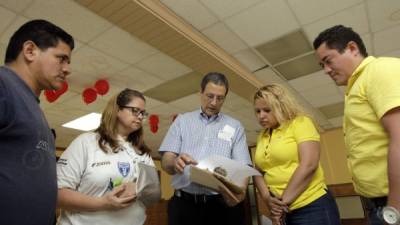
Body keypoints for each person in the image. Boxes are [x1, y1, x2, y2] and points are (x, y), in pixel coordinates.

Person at [313, 25, 400, 225]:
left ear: (352, 48)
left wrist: (394, 211)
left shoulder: (379, 71)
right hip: (377, 204)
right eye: (322, 65)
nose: (326, 70)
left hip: (392, 204)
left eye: (328, 61)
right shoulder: (357, 86)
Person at [0, 19, 74, 225]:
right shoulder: (3, 85)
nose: (67, 69)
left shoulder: (32, 105)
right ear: (30, 50)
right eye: (62, 59)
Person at [159, 72, 252, 225]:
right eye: (210, 96)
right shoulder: (182, 121)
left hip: (220, 207)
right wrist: (175, 161)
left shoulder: (236, 126)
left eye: (220, 98)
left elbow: (242, 168)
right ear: (200, 93)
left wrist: (239, 192)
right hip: (184, 206)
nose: (214, 103)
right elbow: (166, 161)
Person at [57, 88, 155, 225]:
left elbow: (154, 193)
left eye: (143, 113)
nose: (140, 116)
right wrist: (102, 203)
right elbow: (58, 194)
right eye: (135, 110)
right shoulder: (86, 142)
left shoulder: (142, 152)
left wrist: (139, 187)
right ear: (117, 110)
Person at [253, 84, 341, 225]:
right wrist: (267, 198)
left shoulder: (300, 123)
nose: (261, 116)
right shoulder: (262, 136)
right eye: (257, 111)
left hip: (311, 205)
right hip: (283, 210)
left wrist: (281, 205)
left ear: (280, 107)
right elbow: (257, 171)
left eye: (267, 110)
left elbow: (309, 164)